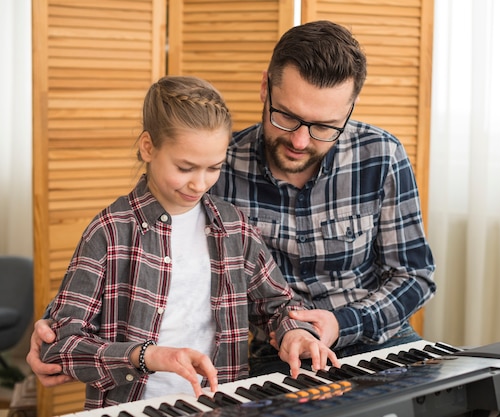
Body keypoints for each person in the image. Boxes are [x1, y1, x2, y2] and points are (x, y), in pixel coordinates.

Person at [29, 19, 436, 382]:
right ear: (265, 88)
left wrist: (340, 323)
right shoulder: (219, 167)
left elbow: (416, 277)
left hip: (376, 340)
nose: (299, 140)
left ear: (349, 111)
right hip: (275, 356)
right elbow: (139, 250)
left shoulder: (381, 155)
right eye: (287, 116)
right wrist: (54, 329)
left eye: (324, 127)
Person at [37, 75, 338, 409]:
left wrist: (293, 332)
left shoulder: (234, 228)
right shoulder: (109, 231)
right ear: (148, 147)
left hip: (219, 405)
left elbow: (279, 306)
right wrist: (145, 356)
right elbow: (60, 344)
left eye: (213, 168)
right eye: (185, 167)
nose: (199, 183)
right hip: (134, 407)